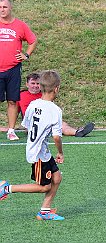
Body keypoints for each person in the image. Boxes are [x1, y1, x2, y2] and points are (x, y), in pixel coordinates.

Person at [0, 70, 66, 220]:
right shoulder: (55, 110)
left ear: (41, 87)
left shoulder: (33, 104)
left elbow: (27, 125)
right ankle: (7, 188)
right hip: (38, 154)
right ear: (56, 88)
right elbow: (57, 136)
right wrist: (60, 152)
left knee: (57, 178)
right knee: (44, 186)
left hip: (41, 150)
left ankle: (44, 212)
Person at [0, 0, 37, 141]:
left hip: (13, 69)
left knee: (12, 101)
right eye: (0, 7)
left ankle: (11, 130)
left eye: (4, 7)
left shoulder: (20, 25)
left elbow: (32, 41)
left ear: (10, 8)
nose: (2, 10)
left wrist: (26, 55)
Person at [16, 73, 94, 137]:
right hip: (32, 123)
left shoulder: (45, 94)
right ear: (27, 84)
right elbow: (14, 112)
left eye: (38, 83)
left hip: (46, 119)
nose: (35, 86)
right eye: (33, 83)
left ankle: (77, 132)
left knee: (62, 124)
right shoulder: (20, 95)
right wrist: (11, 128)